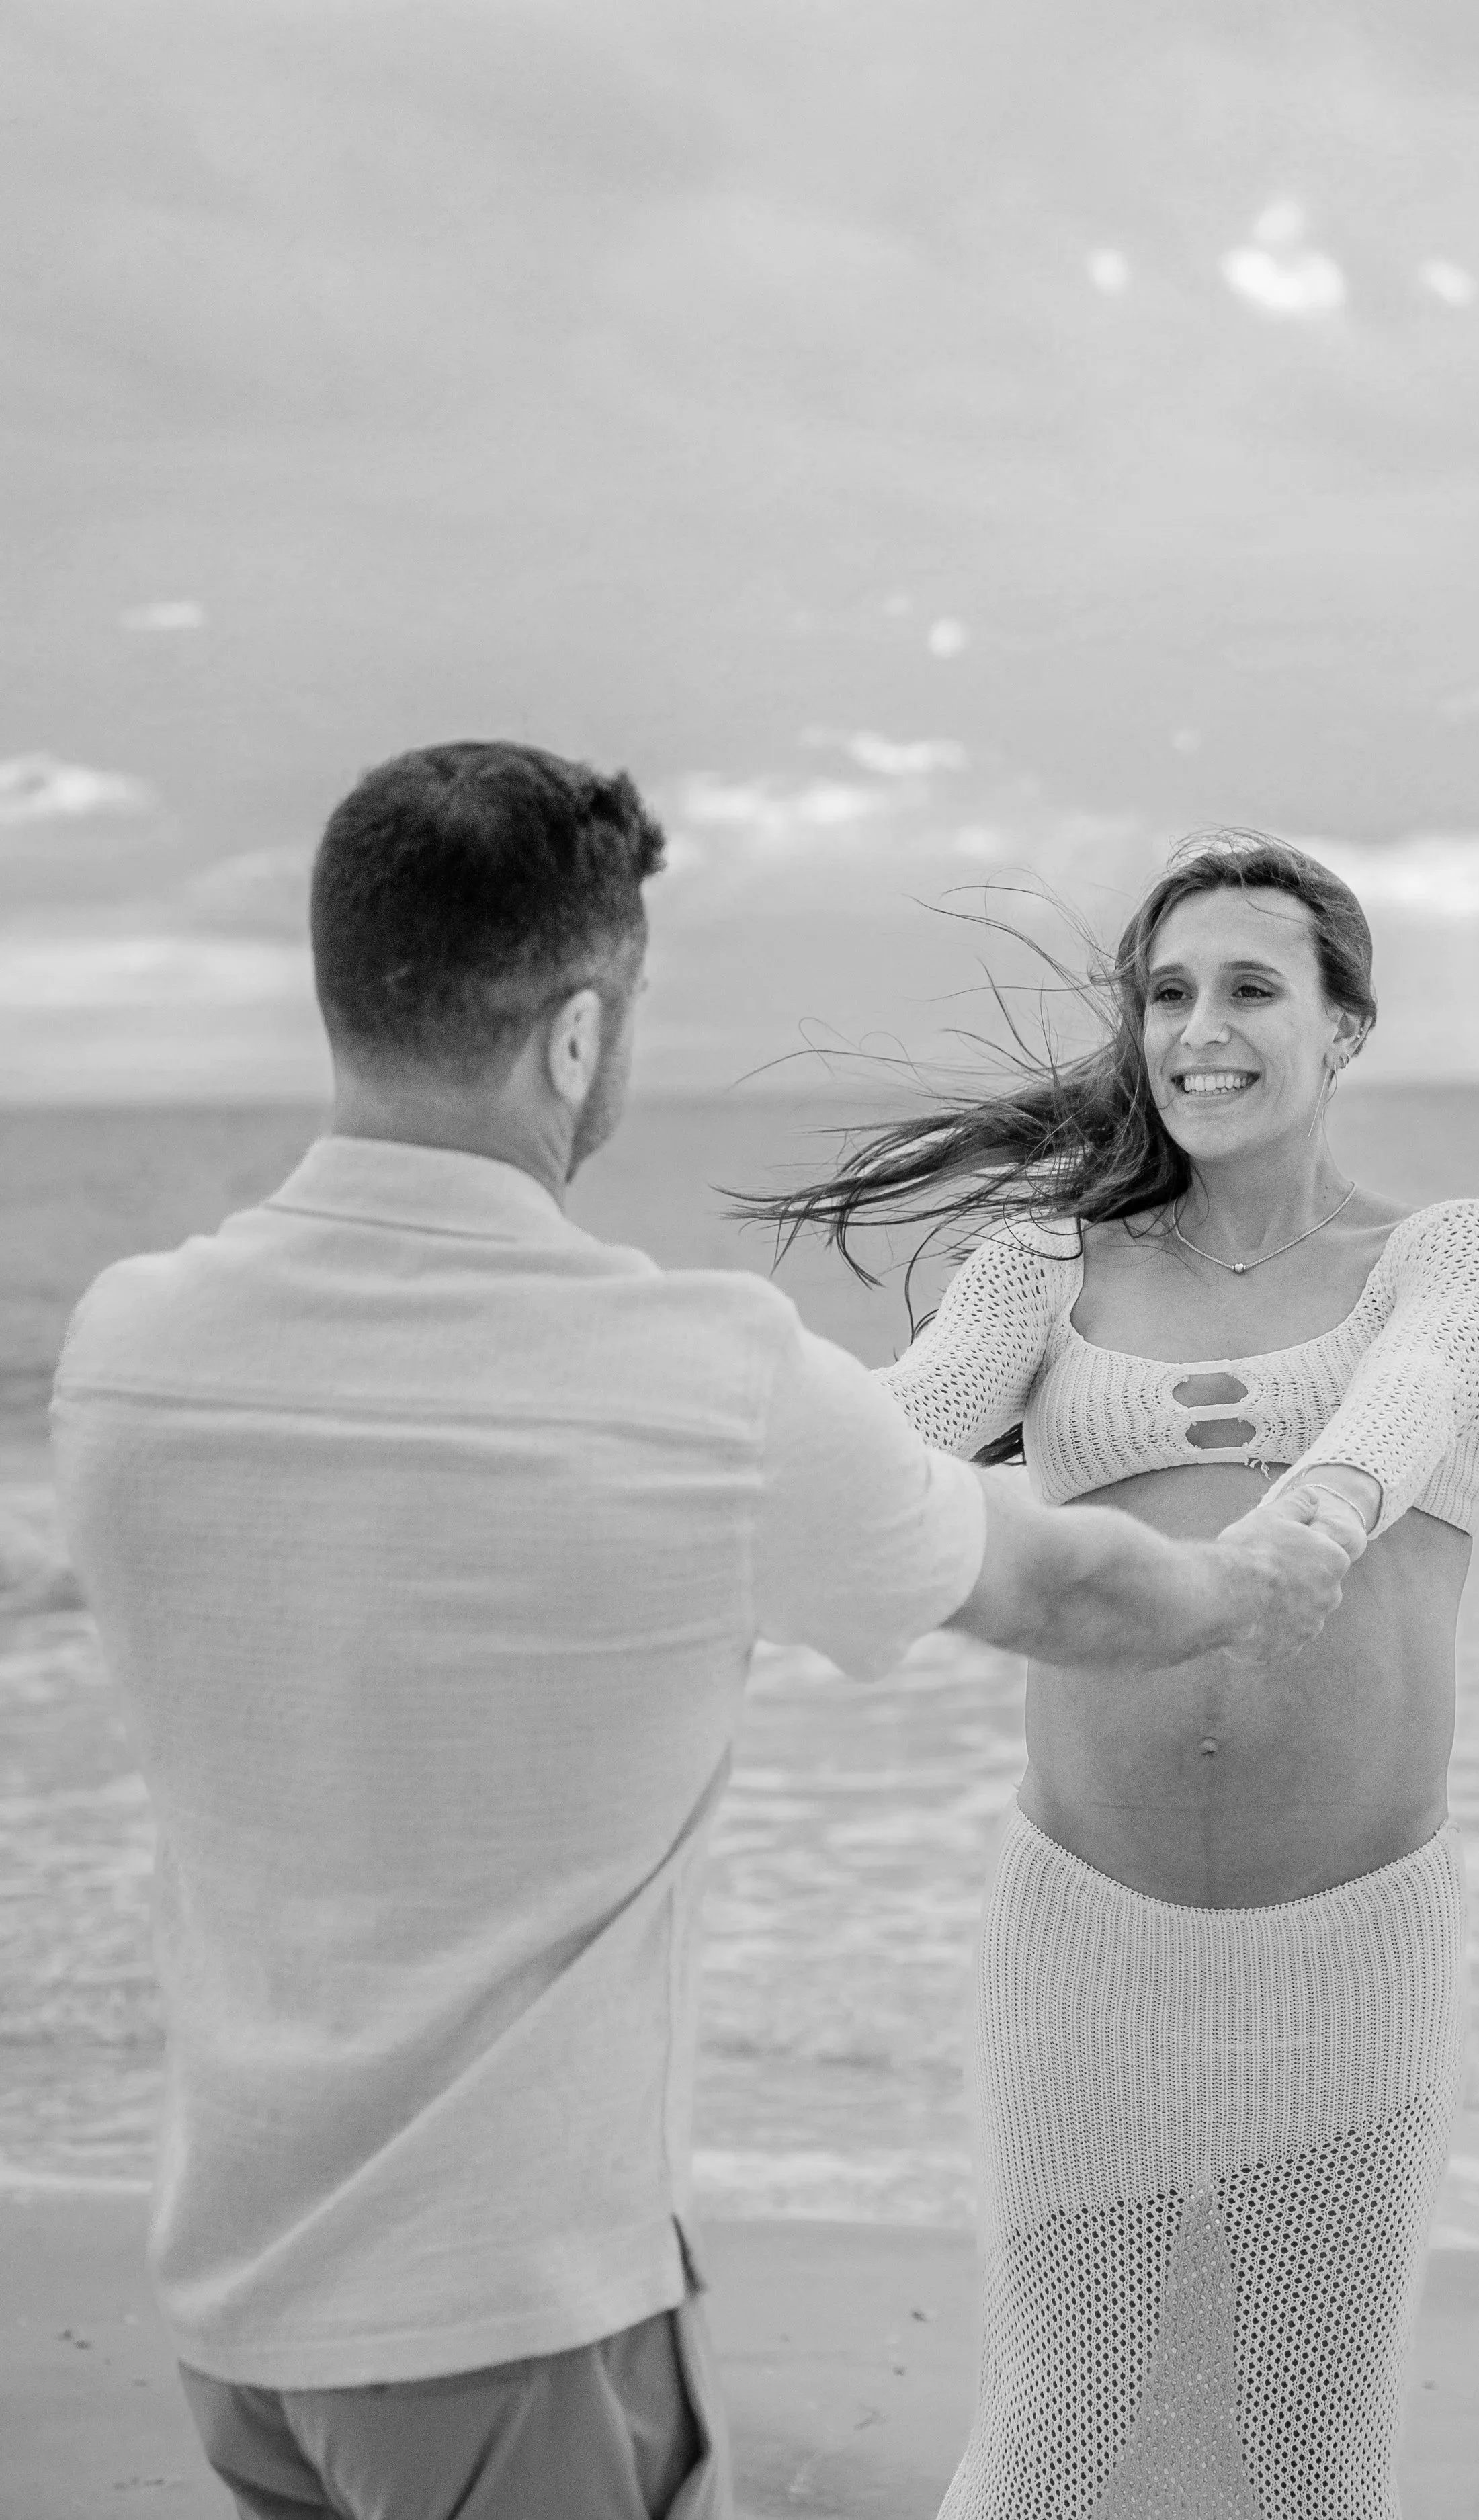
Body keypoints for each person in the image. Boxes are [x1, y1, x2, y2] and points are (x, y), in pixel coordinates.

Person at [50, 753, 1357, 2520]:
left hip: (230, 2317)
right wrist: (1255, 1577)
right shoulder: (697, 1378)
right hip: (508, 2318)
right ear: (577, 1035)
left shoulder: (128, 1350)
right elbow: (1058, 1585)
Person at [751, 829, 1479, 2520]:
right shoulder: (1046, 1264)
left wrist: (1315, 1510)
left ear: (1343, 1028)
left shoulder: (1452, 1252)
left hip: (1353, 1951)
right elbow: (889, 1440)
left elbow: (1424, 1387)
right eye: (1166, 993)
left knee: (1299, 2458)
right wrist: (685, 1434)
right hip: (1080, 1945)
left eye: (1251, 988)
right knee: (1060, 2428)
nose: (1200, 1027)